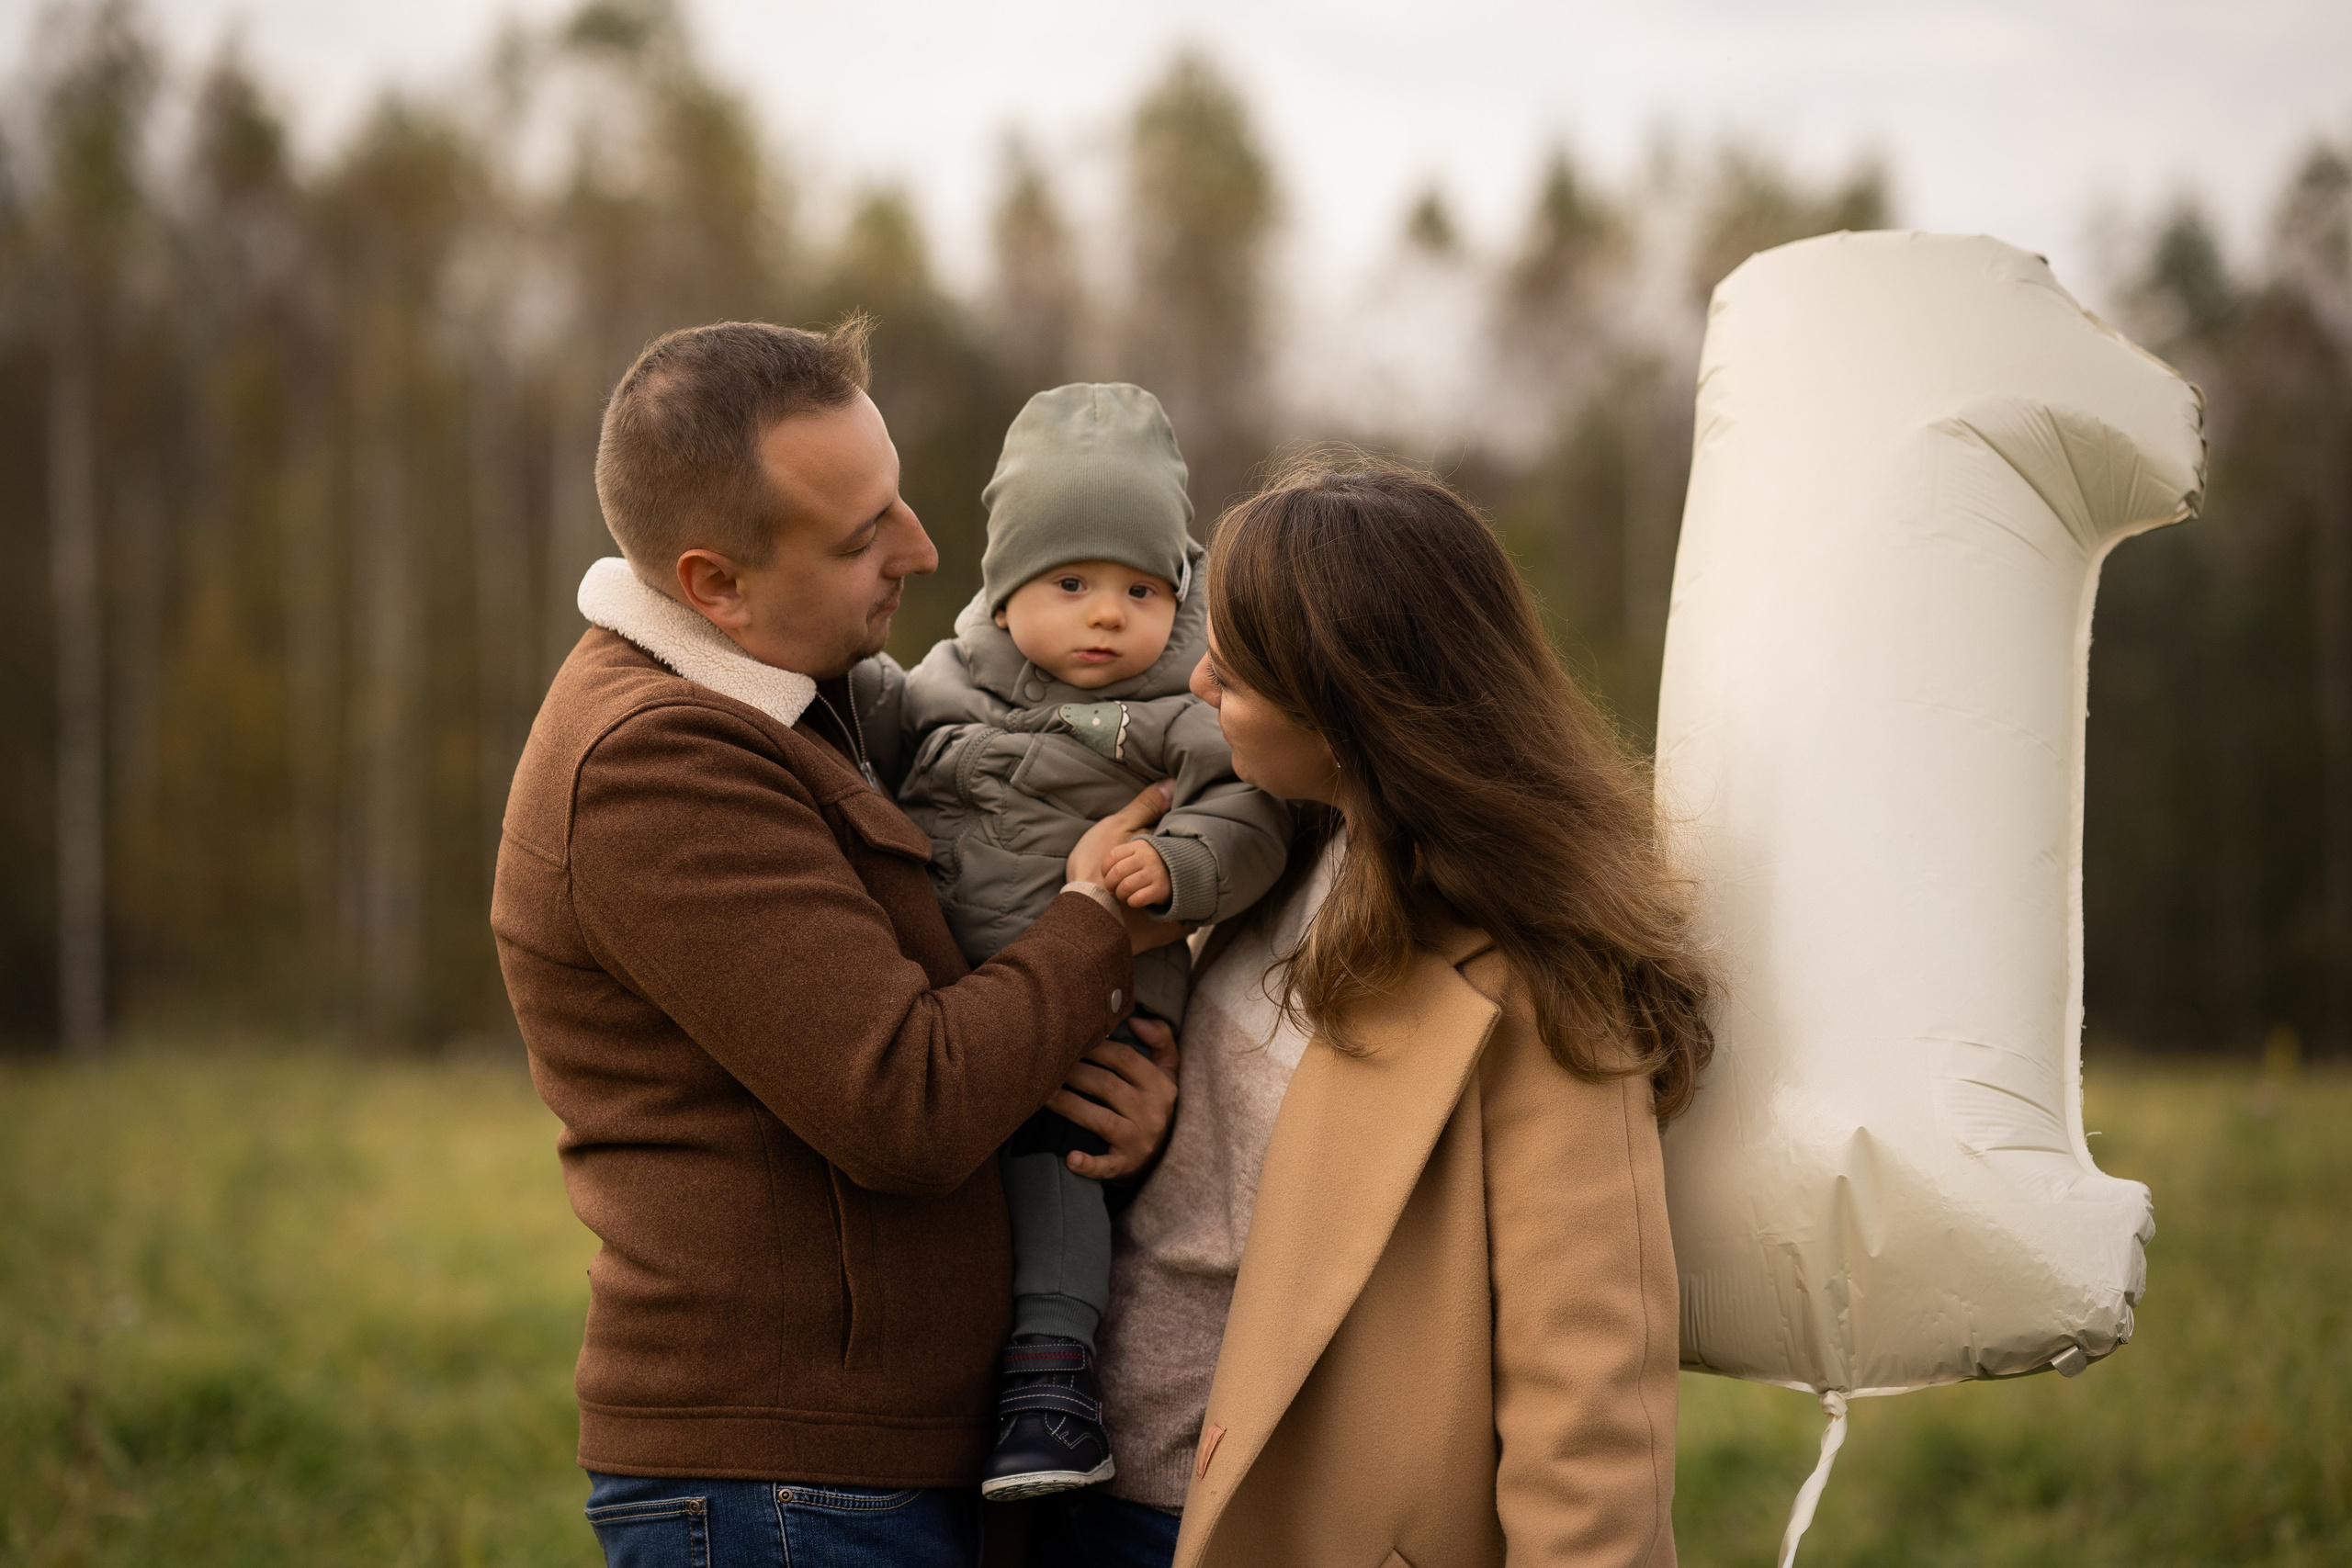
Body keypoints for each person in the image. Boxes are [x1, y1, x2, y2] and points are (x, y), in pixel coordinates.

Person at [491, 317, 1186, 1568]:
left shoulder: (798, 700)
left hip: (863, 1464)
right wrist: (1097, 919)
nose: (923, 551)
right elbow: (906, 1096)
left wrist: (1099, 1105)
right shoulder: (657, 760)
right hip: (788, 1483)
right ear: (715, 585)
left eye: (901, 500)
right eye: (864, 534)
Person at [1040, 455, 1714, 1568]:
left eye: (1240, 671)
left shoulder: (1538, 979)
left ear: (1349, 707)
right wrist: (1170, 1135)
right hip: (1102, 1484)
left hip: (1289, 1526)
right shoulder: (1260, 860)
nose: (1199, 681)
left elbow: (1586, 1390)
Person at [894, 384, 1290, 1501]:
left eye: (1141, 589)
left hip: (1106, 997)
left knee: (1060, 1148)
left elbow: (1250, 816)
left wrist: (1176, 868)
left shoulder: (1183, 708)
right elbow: (869, 734)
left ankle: (1053, 1378)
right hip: (969, 990)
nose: (1108, 616)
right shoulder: (945, 681)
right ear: (1005, 590)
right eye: (1071, 585)